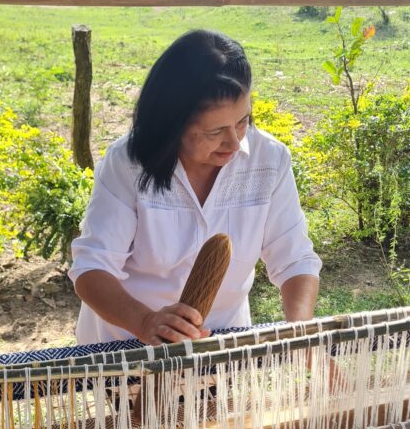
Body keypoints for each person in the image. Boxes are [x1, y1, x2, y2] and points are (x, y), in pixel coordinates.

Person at [69, 29, 321, 346]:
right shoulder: (127, 164)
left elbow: (295, 260)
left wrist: (300, 334)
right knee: (139, 398)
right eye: (216, 131)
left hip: (218, 345)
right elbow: (93, 268)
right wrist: (145, 322)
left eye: (243, 121)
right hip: (128, 345)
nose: (235, 141)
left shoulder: (268, 161)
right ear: (173, 123)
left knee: (219, 398)